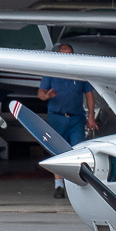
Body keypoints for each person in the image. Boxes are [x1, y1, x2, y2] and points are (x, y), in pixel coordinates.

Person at [38, 43, 96, 198]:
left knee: (78, 151)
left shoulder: (79, 72)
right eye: (63, 53)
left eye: (69, 53)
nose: (66, 57)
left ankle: (77, 186)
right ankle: (59, 185)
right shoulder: (50, 72)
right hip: (57, 117)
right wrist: (47, 96)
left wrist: (91, 116)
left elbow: (89, 94)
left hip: (76, 118)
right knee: (57, 152)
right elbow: (40, 93)